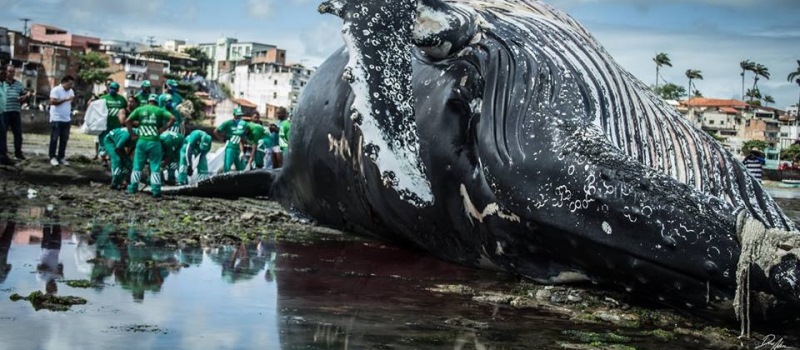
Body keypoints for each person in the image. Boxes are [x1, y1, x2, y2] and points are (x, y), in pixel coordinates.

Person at [126, 94, 175, 197]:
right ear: (156, 102)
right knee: (155, 167)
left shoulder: (140, 109)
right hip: (154, 142)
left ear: (148, 101)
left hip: (142, 141)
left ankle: (133, 188)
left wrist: (132, 134)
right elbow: (172, 118)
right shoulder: (159, 110)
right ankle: (156, 191)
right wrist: (163, 129)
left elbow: (127, 121)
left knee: (137, 166)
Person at [3, 65, 32, 161]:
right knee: (2, 134)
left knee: (18, 133)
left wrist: (25, 97)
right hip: (4, 112)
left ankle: (18, 153)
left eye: (13, 72)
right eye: (9, 71)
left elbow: (24, 97)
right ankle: (3, 154)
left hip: (15, 112)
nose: (11, 74)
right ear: (6, 72)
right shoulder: (2, 83)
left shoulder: (18, 84)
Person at [97, 82, 128, 165]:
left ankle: (111, 157)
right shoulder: (103, 98)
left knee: (114, 142)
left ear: (118, 90)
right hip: (105, 124)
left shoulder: (121, 99)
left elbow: (125, 110)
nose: (112, 90)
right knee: (103, 141)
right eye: (111, 88)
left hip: (117, 125)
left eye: (114, 89)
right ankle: (103, 158)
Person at [48, 75, 75, 167]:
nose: (71, 86)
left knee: (64, 139)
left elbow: (71, 103)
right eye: (70, 84)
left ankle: (61, 157)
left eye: (72, 84)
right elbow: (52, 102)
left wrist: (73, 100)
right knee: (54, 139)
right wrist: (65, 99)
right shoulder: (56, 90)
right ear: (64, 82)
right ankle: (52, 157)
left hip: (66, 118)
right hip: (56, 118)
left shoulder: (71, 91)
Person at [214, 107, 248, 173]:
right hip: (230, 148)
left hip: (239, 149)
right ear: (234, 114)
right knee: (227, 167)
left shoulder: (243, 124)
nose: (238, 117)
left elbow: (242, 138)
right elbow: (216, 131)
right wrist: (222, 139)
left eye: (240, 115)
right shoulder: (228, 123)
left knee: (241, 168)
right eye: (237, 115)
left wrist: (242, 151)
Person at [0, 64, 10, 166]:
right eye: (2, 73)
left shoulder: (3, 84)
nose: (4, 75)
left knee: (2, 134)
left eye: (5, 73)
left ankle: (3, 156)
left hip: (1, 113)